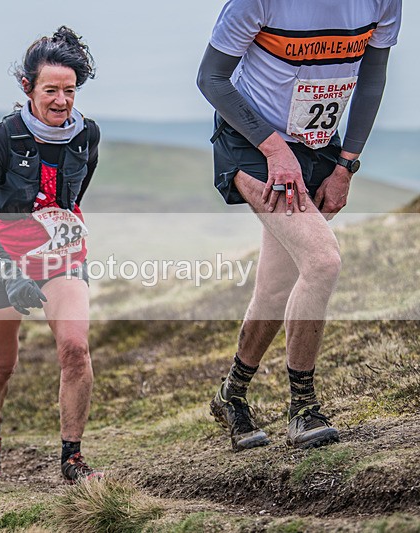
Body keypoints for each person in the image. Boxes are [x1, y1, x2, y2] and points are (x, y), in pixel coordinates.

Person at [197, 0, 401, 450]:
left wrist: (347, 164)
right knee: (321, 261)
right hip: (252, 144)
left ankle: (231, 395)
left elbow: (372, 78)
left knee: (274, 287)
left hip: (318, 146)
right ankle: (303, 409)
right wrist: (272, 148)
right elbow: (210, 78)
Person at [0, 26, 102, 482]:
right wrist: (11, 272)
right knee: (1, 366)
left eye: (69, 90)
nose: (62, 100)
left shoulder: (88, 135)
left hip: (63, 259)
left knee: (75, 350)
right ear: (28, 88)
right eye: (51, 90)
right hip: (2, 260)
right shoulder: (2, 138)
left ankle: (72, 458)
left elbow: (72, 197)